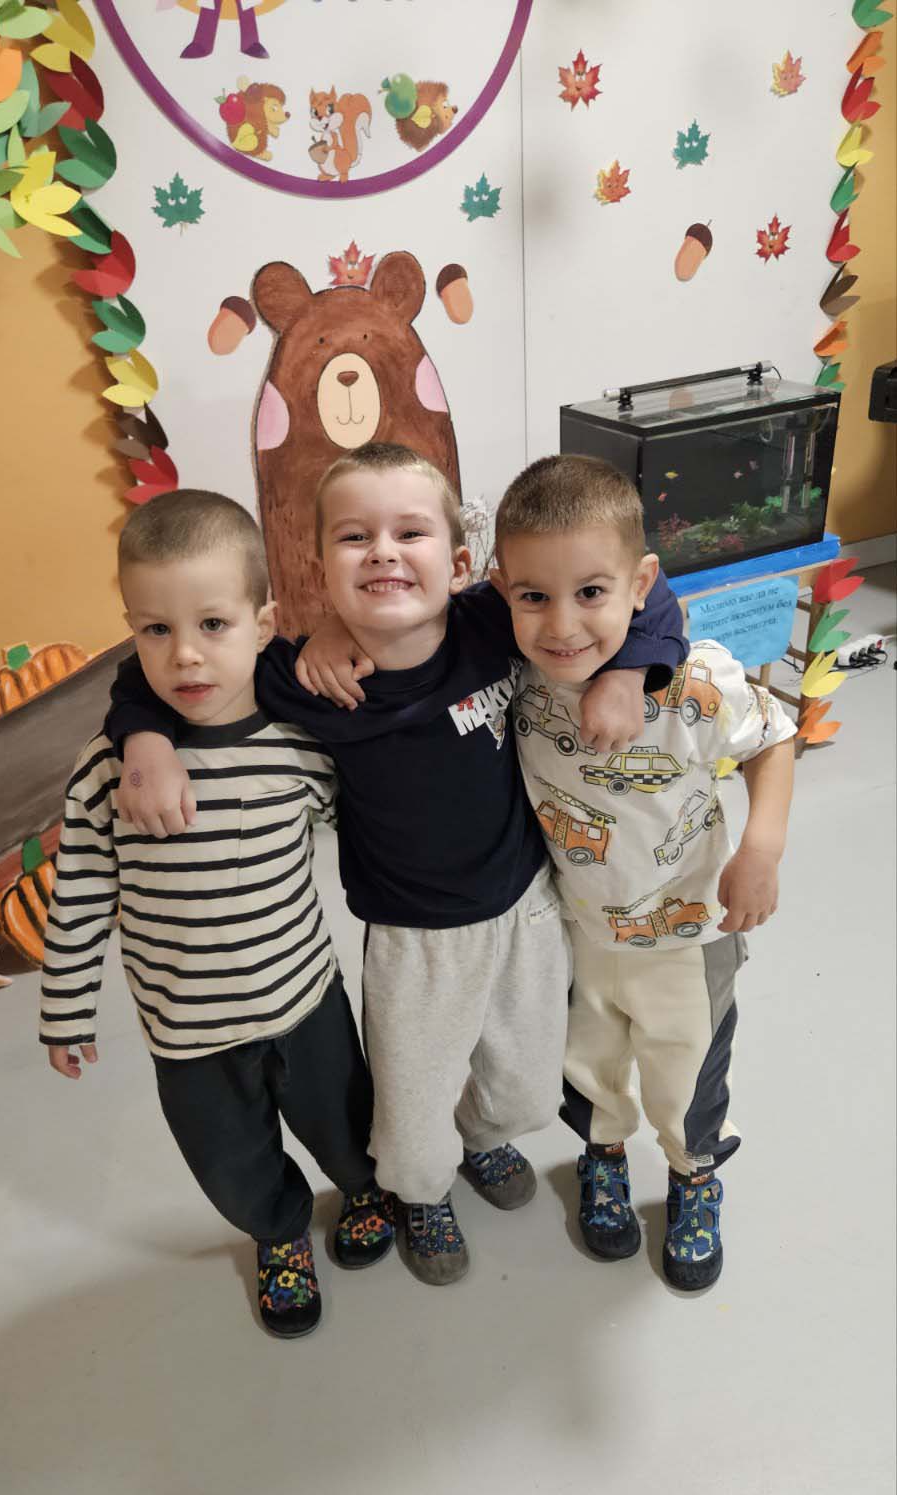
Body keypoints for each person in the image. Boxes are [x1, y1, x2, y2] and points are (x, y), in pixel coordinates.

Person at [106, 445, 687, 1286]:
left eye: (408, 532)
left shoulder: (495, 622)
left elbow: (647, 590)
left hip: (526, 908)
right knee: (411, 1119)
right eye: (354, 537)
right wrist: (147, 740)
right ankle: (422, 1193)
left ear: (460, 565)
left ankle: (480, 1140)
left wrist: (630, 672)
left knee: (528, 1090)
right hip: (414, 939)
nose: (382, 551)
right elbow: (157, 666)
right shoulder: (302, 678)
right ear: (319, 573)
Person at [39, 490, 394, 1340]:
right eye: (155, 630)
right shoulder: (110, 771)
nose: (185, 655)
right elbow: (80, 892)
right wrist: (65, 1010)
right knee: (230, 1161)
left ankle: (364, 1192)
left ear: (263, 624)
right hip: (187, 1033)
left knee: (347, 1124)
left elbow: (367, 826)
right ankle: (279, 1234)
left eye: (212, 624)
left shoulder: (300, 744)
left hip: (304, 1002)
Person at [490, 455, 796, 1290]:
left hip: (688, 937)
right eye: (533, 596)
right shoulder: (508, 675)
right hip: (575, 932)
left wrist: (761, 849)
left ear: (640, 584)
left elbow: (773, 739)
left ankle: (694, 1176)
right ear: (501, 589)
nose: (562, 625)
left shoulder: (694, 680)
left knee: (686, 1076)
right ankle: (602, 1158)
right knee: (585, 1066)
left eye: (591, 591)